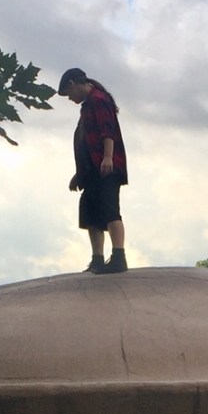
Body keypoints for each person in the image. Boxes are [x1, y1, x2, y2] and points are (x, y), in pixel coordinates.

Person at [58, 67, 128, 274]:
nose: (70, 99)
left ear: (73, 84)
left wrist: (108, 157)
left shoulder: (98, 100)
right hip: (91, 169)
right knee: (90, 212)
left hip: (106, 166)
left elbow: (108, 131)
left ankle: (119, 258)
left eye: (68, 94)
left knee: (110, 210)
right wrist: (79, 173)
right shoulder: (88, 105)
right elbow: (85, 141)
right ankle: (97, 259)